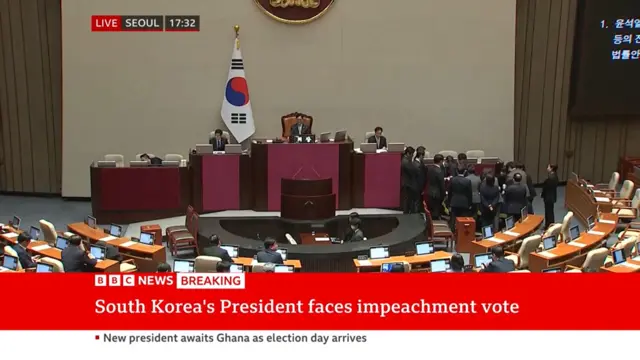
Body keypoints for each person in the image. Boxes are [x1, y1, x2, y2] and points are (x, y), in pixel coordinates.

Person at [426, 154, 446, 219]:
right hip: (437, 194)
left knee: (431, 212)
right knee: (436, 212)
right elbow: (442, 185)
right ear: (440, 161)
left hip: (430, 192)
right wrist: (444, 194)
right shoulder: (439, 171)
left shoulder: (429, 168)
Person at [401, 147, 420, 213]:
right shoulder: (405, 162)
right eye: (412, 155)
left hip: (408, 183)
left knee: (408, 200)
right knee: (407, 201)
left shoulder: (406, 160)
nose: (412, 156)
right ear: (408, 154)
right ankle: (406, 215)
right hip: (408, 184)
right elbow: (414, 170)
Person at [542, 164, 559, 228]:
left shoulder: (551, 178)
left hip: (549, 197)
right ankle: (547, 225)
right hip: (551, 196)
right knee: (549, 211)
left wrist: (543, 193)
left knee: (549, 212)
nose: (547, 168)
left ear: (551, 168)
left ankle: (549, 226)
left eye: (548, 167)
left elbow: (546, 188)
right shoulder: (554, 175)